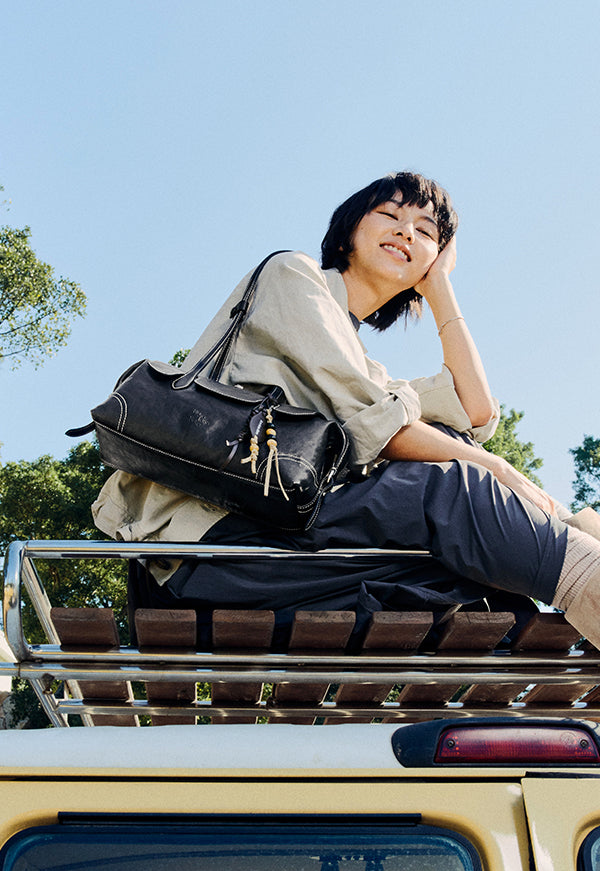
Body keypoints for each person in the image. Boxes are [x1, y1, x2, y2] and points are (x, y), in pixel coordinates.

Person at [92, 171, 600, 648]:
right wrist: (502, 470)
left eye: (426, 232)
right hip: (214, 545)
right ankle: (585, 568)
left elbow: (475, 410)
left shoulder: (365, 367)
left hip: (284, 552)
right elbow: (386, 432)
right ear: (346, 232)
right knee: (454, 487)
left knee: (487, 566)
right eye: (390, 216)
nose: (406, 233)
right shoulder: (293, 276)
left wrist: (440, 287)